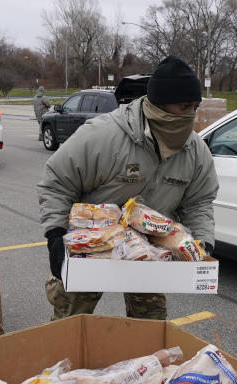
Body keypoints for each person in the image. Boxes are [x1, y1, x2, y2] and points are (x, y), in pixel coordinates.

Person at [37, 55, 218, 321]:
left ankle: (144, 362)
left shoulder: (194, 150)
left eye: (195, 107)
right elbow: (57, 181)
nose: (190, 114)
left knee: (151, 324)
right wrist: (54, 233)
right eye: (183, 107)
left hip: (148, 250)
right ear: (159, 105)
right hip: (92, 243)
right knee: (70, 321)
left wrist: (201, 244)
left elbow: (199, 202)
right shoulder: (103, 135)